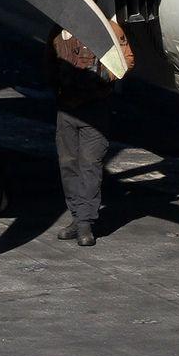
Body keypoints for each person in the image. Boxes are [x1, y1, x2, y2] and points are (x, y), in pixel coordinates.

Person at [44, 23, 131, 246]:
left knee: (90, 165)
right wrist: (58, 85)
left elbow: (127, 59)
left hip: (95, 109)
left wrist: (104, 75)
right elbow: (48, 63)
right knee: (68, 164)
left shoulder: (107, 29)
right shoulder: (57, 32)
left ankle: (85, 223)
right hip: (67, 109)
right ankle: (77, 216)